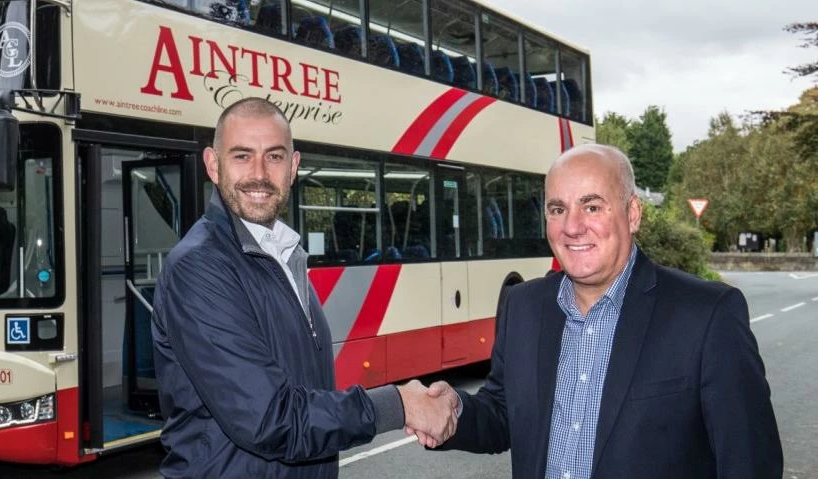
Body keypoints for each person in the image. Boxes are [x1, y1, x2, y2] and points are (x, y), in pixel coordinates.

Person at [416, 144, 782, 478]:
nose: (572, 227)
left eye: (591, 207)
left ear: (633, 214)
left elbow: (750, 463)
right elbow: (503, 413)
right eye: (557, 209)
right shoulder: (523, 306)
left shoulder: (707, 315)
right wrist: (453, 412)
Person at [151, 97, 455, 478]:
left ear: (293, 167)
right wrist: (401, 405)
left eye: (274, 157)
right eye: (242, 156)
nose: (259, 173)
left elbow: (306, 397)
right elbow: (270, 419)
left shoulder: (282, 255)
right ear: (213, 165)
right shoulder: (199, 266)